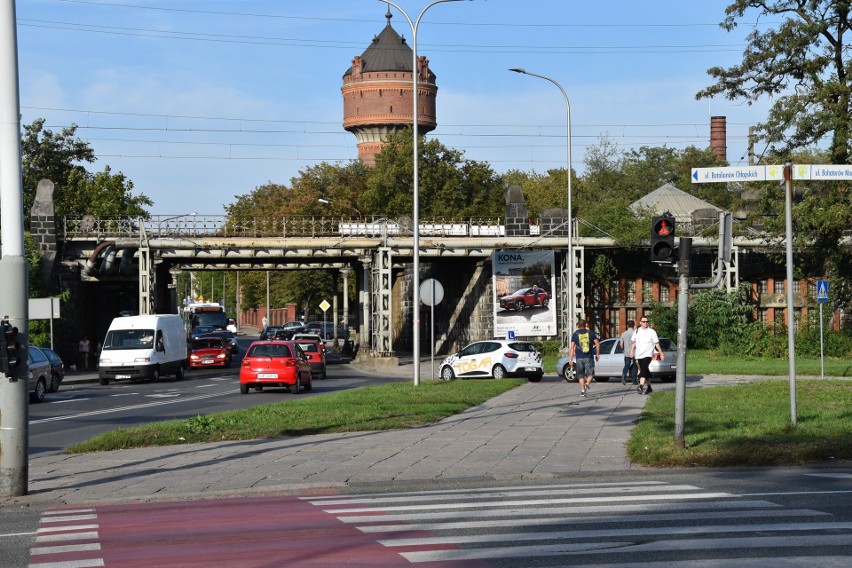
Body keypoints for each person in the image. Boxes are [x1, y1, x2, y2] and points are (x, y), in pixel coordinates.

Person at [629, 317, 665, 395]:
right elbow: (633, 342)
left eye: (646, 321)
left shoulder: (652, 332)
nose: (645, 323)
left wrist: (661, 353)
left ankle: (641, 386)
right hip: (638, 355)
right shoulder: (637, 331)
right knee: (645, 371)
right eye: (643, 321)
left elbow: (656, 343)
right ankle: (649, 387)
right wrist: (631, 351)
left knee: (644, 369)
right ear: (640, 322)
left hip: (648, 354)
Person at [569, 319, 600, 398]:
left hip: (579, 357)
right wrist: (597, 354)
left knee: (580, 375)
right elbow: (598, 344)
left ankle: (582, 391)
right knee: (591, 373)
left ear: (578, 325)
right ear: (585, 324)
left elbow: (572, 348)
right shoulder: (591, 333)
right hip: (589, 357)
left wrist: (571, 359)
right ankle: (587, 383)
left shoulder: (575, 334)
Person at [619, 320, 637, 386]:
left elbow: (621, 344)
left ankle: (624, 376)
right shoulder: (635, 333)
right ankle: (634, 380)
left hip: (626, 352)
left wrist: (623, 350)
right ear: (633, 326)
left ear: (627, 325)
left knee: (626, 365)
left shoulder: (623, 334)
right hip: (635, 352)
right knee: (635, 366)